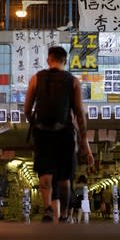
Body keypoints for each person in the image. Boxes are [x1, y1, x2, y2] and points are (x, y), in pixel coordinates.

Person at [24, 46, 94, 223]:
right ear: (65, 61)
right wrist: (84, 142)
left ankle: (48, 208)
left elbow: (27, 109)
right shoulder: (73, 81)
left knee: (45, 173)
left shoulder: (36, 79)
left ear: (49, 59)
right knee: (64, 179)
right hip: (65, 133)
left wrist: (35, 123)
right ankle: (63, 215)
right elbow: (79, 113)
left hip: (42, 133)